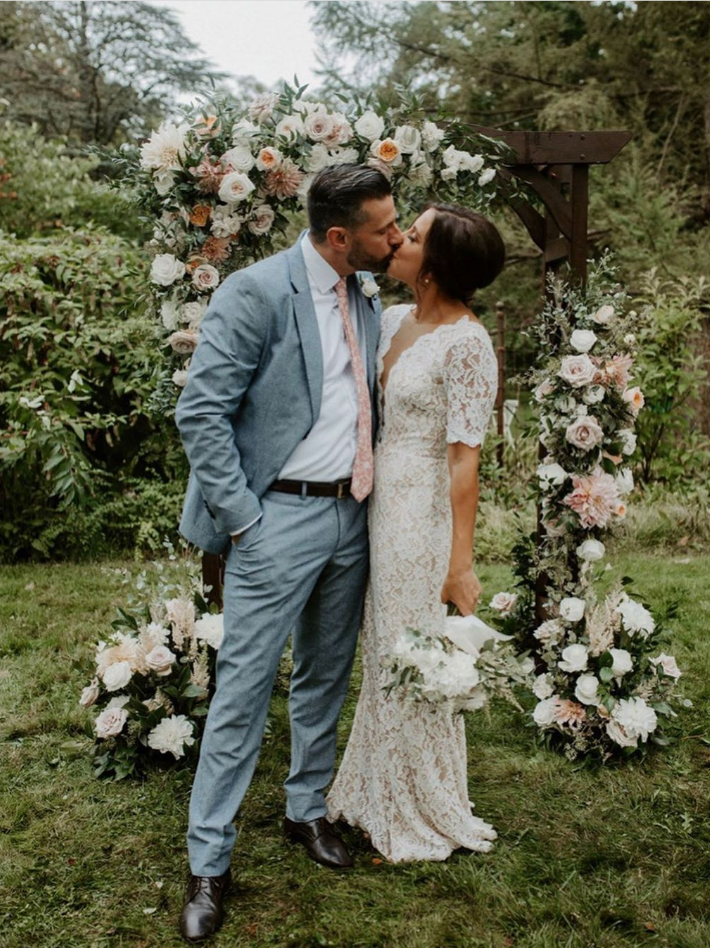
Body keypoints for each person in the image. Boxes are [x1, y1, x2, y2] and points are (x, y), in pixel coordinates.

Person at [174, 164, 403, 942]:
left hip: (351, 516)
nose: (395, 237)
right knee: (242, 693)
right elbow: (200, 412)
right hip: (275, 519)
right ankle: (208, 861)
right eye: (383, 228)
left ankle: (305, 810)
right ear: (339, 236)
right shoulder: (256, 292)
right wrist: (245, 521)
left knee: (324, 677)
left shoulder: (364, 294)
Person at [326, 203, 504, 863]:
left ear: (435, 265)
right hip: (375, 503)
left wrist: (460, 564)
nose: (399, 238)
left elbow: (464, 459)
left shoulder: (467, 343)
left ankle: (417, 802)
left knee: (410, 651)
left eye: (416, 235)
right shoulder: (393, 318)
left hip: (420, 515)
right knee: (380, 649)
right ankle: (375, 786)